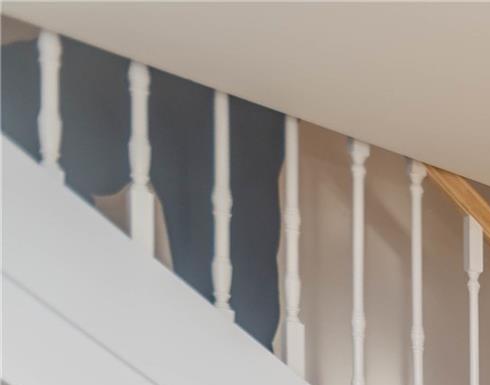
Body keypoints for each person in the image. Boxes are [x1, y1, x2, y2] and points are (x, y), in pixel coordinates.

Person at [2, 32, 284, 347]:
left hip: (219, 76)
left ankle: (228, 354)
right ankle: (71, 283)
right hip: (122, 53)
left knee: (234, 294)